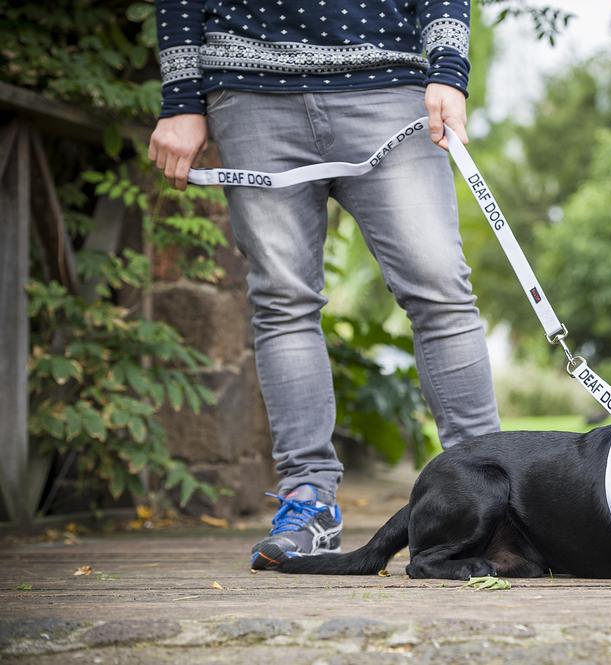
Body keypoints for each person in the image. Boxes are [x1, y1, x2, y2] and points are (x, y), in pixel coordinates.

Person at [149, 0, 500, 570]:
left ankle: (490, 489)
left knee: (441, 292)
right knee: (282, 303)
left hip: (390, 85)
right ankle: (308, 501)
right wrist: (182, 99)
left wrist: (449, 69)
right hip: (251, 89)